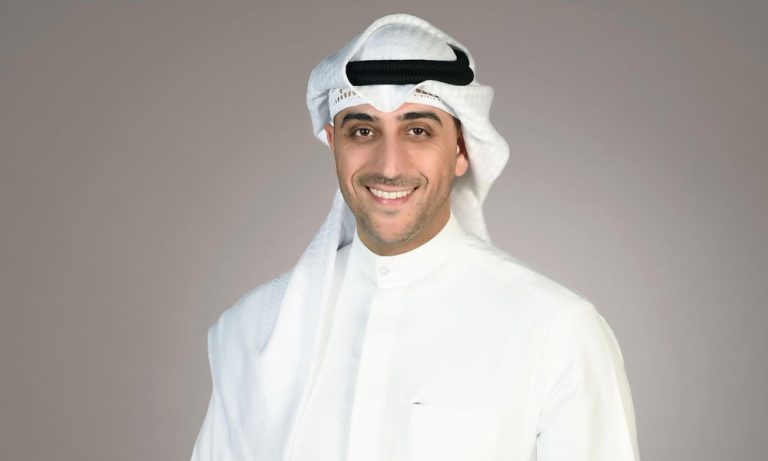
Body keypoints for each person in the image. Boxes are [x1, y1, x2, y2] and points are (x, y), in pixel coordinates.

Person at [191, 14, 640, 461]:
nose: (389, 165)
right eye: (363, 131)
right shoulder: (250, 331)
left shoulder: (555, 331)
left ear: (461, 149)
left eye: (417, 131)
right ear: (333, 144)